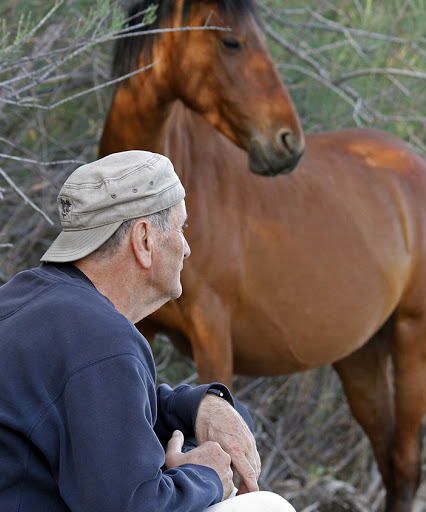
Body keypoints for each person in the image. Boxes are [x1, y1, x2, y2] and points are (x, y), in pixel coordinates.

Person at [0, 151, 295, 512]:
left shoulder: (23, 300)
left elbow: (107, 410)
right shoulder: (101, 339)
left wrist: (201, 404)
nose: (186, 248)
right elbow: (132, 506)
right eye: (181, 228)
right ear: (143, 239)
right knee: (266, 507)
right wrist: (206, 477)